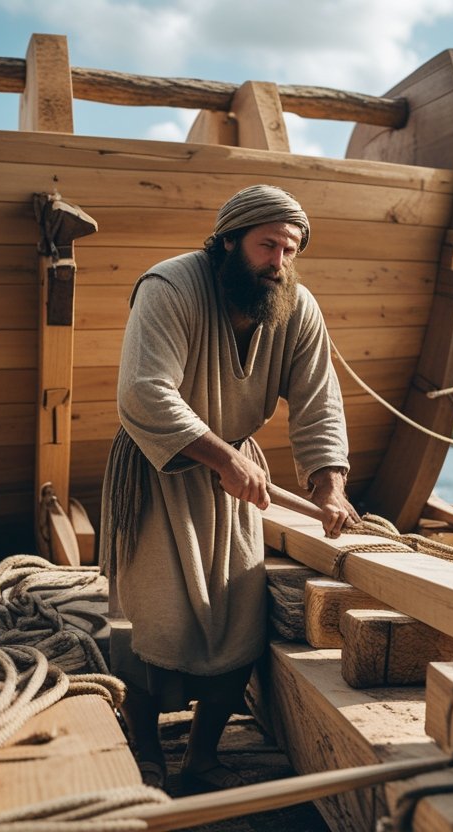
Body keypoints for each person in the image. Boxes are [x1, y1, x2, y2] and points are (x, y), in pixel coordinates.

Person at [100, 184, 358, 791]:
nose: (278, 261)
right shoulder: (170, 287)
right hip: (159, 467)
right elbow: (143, 391)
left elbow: (320, 403)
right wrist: (219, 456)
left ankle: (203, 756)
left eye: (290, 249)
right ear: (226, 243)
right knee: (148, 613)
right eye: (267, 245)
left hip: (239, 477)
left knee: (237, 610)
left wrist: (331, 486)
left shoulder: (295, 306)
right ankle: (146, 751)